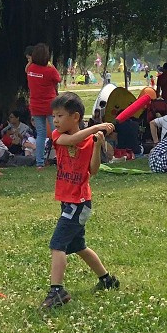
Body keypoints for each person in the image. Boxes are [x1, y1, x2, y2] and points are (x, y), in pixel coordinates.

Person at [41, 93, 118, 308]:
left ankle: (56, 291)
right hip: (68, 201)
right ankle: (107, 280)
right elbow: (72, 140)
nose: (55, 120)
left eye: (60, 115)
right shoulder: (58, 135)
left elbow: (93, 171)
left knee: (58, 245)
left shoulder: (87, 142)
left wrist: (96, 145)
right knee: (79, 246)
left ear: (75, 117)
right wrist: (97, 127)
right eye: (54, 116)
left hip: (80, 202)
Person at [25, 42, 62, 171]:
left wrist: (31, 61)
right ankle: (61, 159)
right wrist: (50, 64)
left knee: (40, 134)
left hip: (35, 106)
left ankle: (39, 163)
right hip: (51, 106)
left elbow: (26, 68)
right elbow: (59, 79)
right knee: (56, 132)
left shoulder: (30, 69)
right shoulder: (50, 70)